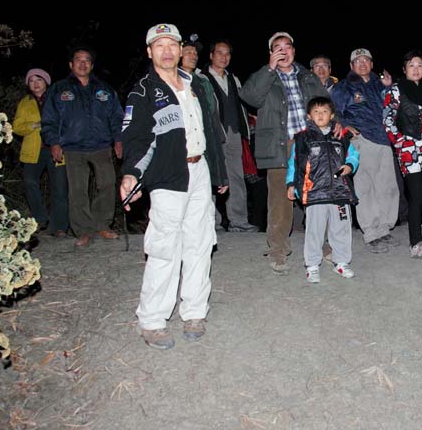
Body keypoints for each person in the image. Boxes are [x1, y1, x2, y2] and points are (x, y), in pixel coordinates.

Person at [120, 23, 229, 349]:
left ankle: (194, 311)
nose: (167, 51)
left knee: (200, 242)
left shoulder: (196, 84)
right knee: (165, 247)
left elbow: (211, 131)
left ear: (181, 50)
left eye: (172, 45)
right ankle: (152, 320)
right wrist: (132, 174)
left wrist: (219, 173)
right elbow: (136, 137)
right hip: (168, 174)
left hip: (200, 170)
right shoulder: (143, 90)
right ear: (149, 51)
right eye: (159, 45)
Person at [241, 32, 328, 274]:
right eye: (277, 48)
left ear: (294, 51)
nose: (283, 51)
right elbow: (249, 96)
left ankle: (323, 245)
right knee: (280, 201)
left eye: (287, 46)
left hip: (310, 144)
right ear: (271, 53)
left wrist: (335, 123)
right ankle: (278, 250)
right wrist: (269, 69)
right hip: (280, 145)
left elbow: (325, 104)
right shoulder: (265, 76)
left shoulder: (308, 76)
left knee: (318, 197)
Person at [40, 47, 124, 248]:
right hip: (72, 147)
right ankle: (83, 230)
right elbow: (49, 118)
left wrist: (119, 140)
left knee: (108, 184)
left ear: (92, 65)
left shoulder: (104, 89)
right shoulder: (59, 89)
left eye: (87, 60)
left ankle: (102, 224)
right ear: (71, 64)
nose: (83, 63)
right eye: (78, 60)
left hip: (101, 145)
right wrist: (54, 142)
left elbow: (117, 116)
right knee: (77, 190)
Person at [331, 48, 400, 253]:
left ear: (372, 64)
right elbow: (333, 112)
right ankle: (371, 232)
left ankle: (384, 228)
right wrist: (344, 125)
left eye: (366, 60)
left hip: (385, 140)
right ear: (351, 66)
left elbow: (395, 106)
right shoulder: (343, 87)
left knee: (387, 186)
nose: (362, 64)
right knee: (365, 187)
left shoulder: (380, 83)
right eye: (357, 61)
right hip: (362, 139)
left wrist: (389, 87)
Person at [286, 97, 360, 282]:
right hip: (315, 193)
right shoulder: (302, 138)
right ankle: (312, 265)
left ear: (332, 115)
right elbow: (294, 164)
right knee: (314, 231)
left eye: (325, 111)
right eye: (316, 112)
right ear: (309, 116)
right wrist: (291, 184)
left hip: (339, 192)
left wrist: (350, 165)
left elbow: (353, 155)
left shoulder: (340, 136)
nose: (320, 115)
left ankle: (341, 262)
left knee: (341, 229)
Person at [383, 50, 422, 258]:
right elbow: (387, 119)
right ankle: (416, 242)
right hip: (410, 149)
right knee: (417, 196)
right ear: (404, 69)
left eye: (419, 65)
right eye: (412, 65)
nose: (416, 69)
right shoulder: (396, 90)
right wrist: (399, 142)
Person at [205, 40, 257, 233]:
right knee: (210, 177)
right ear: (211, 55)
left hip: (233, 133)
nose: (223, 57)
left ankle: (239, 221)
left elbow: (241, 104)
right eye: (219, 53)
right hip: (211, 135)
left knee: (236, 177)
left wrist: (250, 118)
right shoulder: (201, 78)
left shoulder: (233, 79)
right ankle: (212, 223)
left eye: (227, 54)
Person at [12, 68, 69, 237]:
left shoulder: (58, 98)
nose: (35, 84)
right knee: (30, 183)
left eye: (39, 80)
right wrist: (34, 125)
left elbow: (68, 121)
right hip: (33, 150)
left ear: (46, 82)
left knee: (59, 187)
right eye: (31, 81)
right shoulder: (25, 102)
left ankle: (59, 227)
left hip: (56, 148)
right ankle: (39, 219)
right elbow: (17, 127)